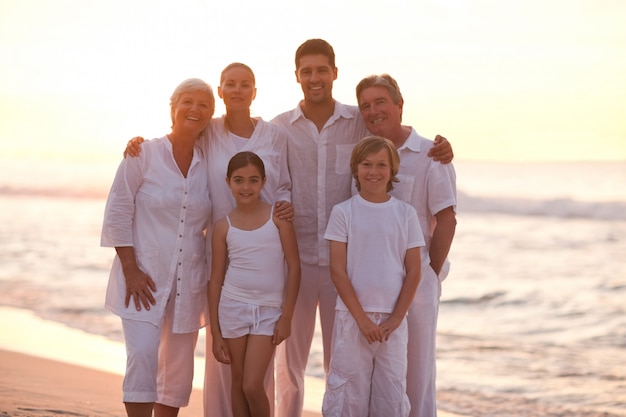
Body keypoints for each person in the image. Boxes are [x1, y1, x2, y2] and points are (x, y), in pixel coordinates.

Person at [271, 38, 453, 417]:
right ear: (297, 76)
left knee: (348, 364)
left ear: (335, 73)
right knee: (289, 365)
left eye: (323, 70)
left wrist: (442, 147)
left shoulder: (357, 119)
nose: (315, 77)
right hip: (299, 261)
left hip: (351, 269)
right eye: (307, 71)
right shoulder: (279, 128)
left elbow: (393, 133)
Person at [124, 62, 293, 417]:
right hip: (218, 249)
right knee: (224, 361)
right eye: (229, 84)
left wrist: (286, 208)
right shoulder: (209, 130)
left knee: (256, 373)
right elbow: (175, 144)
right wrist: (138, 143)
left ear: (255, 91)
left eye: (244, 84)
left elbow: (284, 186)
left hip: (264, 254)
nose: (237, 90)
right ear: (221, 91)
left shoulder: (275, 135)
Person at [101, 78, 215, 417]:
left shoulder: (210, 163)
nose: (195, 109)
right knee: (142, 357)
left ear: (211, 116)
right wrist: (131, 269)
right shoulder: (143, 154)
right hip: (143, 279)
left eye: (204, 105)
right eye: (188, 102)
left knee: (177, 370)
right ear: (173, 107)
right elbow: (118, 211)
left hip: (189, 282)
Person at [356, 74, 457, 417]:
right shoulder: (363, 156)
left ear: (399, 105)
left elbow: (447, 220)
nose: (373, 111)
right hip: (370, 284)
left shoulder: (431, 154)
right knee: (377, 377)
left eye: (380, 101)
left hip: (416, 283)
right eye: (365, 106)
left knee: (417, 376)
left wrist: (427, 273)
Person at [322, 136, 424, 417]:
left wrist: (396, 317)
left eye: (381, 165)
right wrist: (362, 320)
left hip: (393, 321)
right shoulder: (343, 212)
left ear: (393, 170)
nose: (374, 171)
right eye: (366, 164)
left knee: (390, 393)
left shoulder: (405, 214)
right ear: (355, 169)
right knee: (347, 393)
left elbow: (414, 271)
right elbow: (337, 271)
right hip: (353, 318)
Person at [209, 151, 300, 417]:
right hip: (233, 307)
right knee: (237, 383)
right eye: (239, 180)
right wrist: (215, 333)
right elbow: (215, 280)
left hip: (269, 310)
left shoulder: (279, 217)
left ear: (263, 181)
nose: (246, 187)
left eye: (252, 180)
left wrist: (287, 317)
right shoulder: (222, 226)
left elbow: (294, 267)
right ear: (228, 182)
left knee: (252, 384)